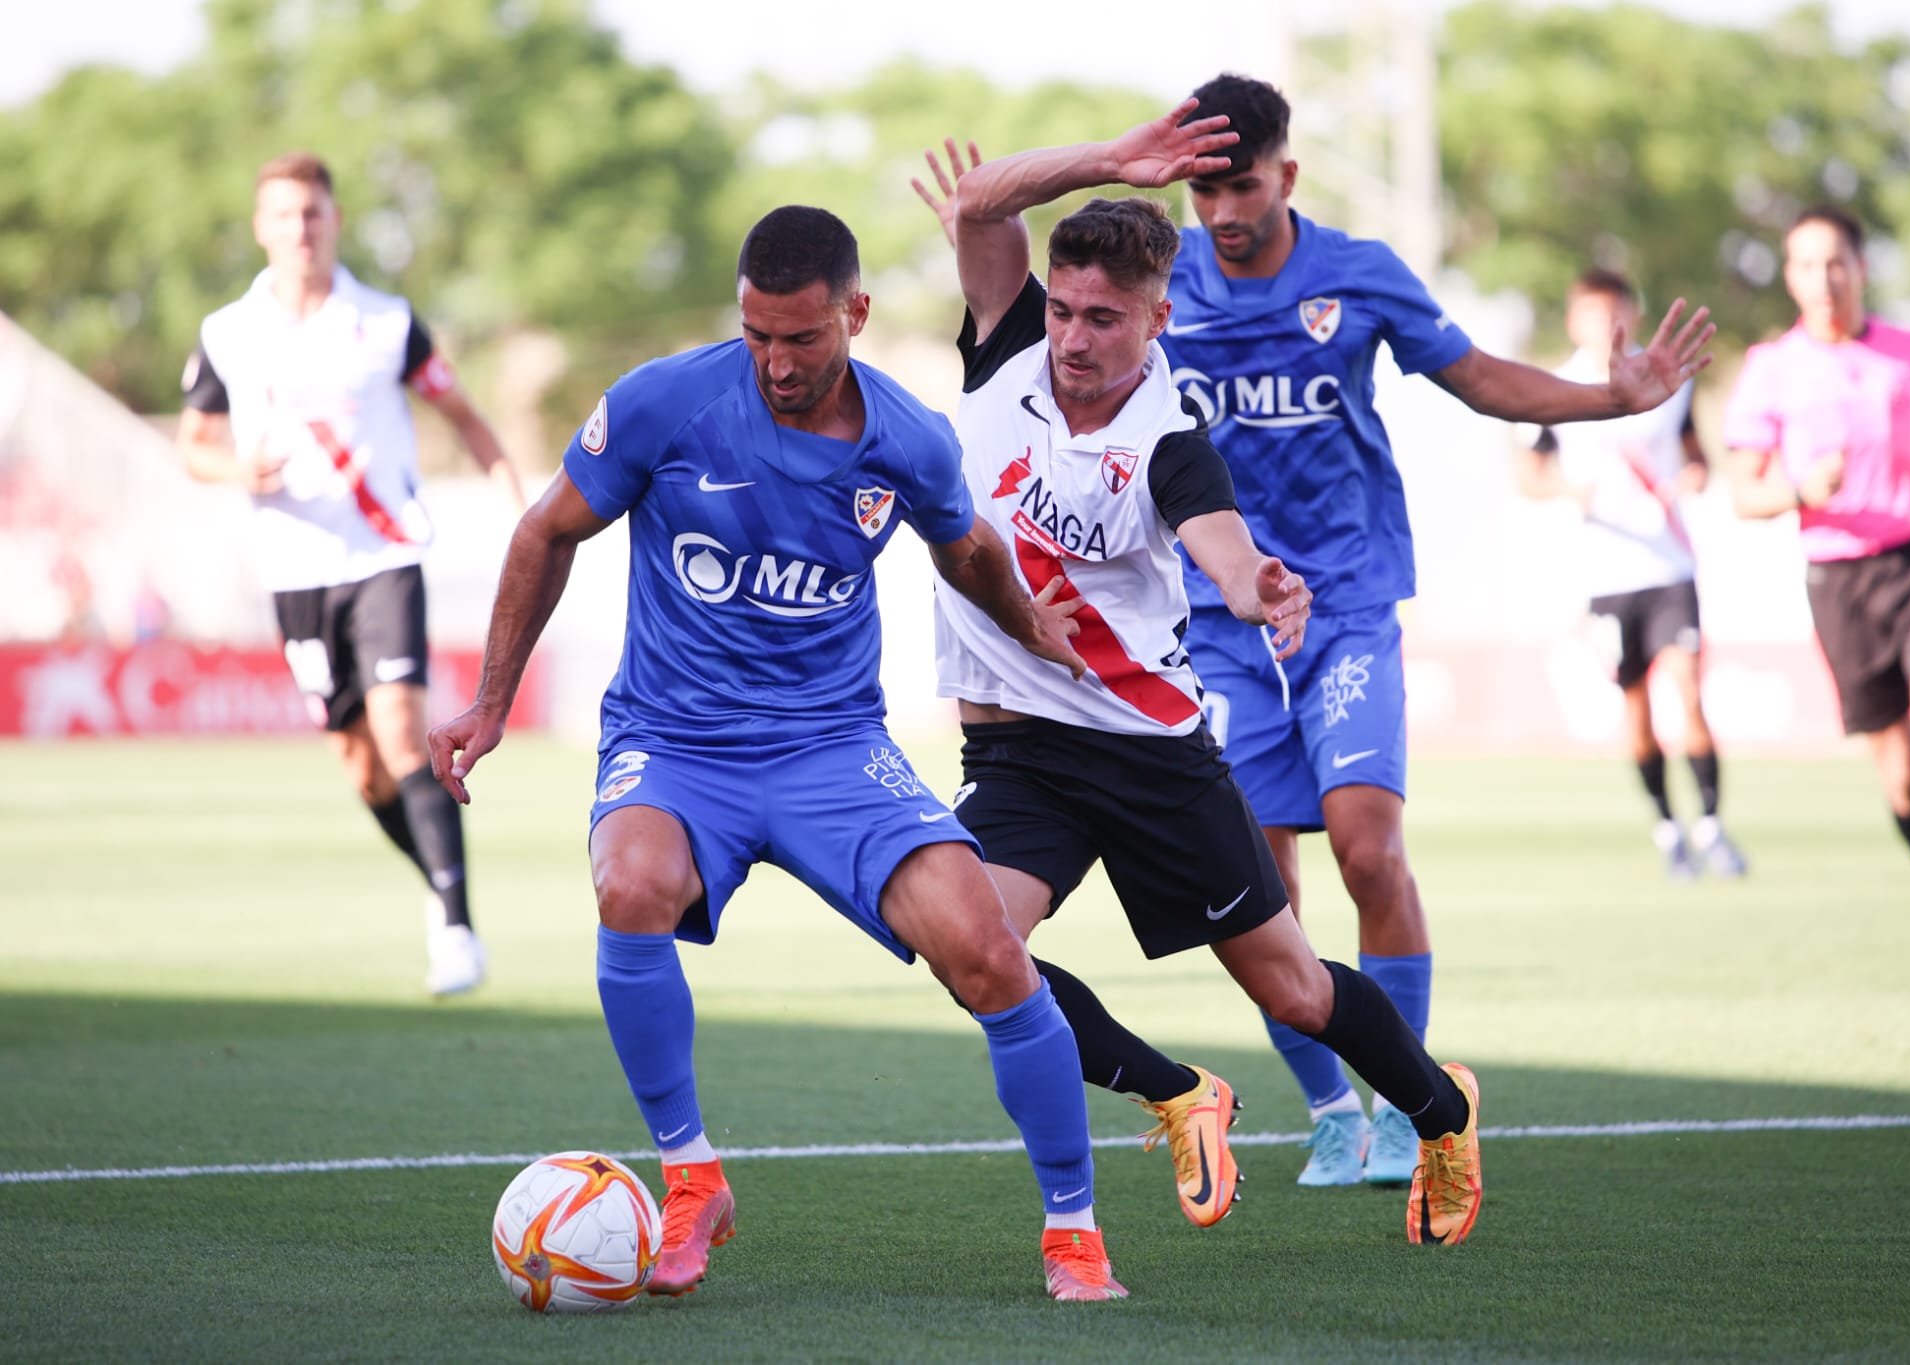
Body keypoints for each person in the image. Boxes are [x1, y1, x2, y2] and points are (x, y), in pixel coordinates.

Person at [427, 206, 1129, 1302]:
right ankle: (692, 1175)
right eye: (756, 334)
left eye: (799, 338)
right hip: (673, 741)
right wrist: (489, 704)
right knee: (630, 884)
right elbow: (543, 530)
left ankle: (1073, 1232)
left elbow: (967, 547)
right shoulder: (667, 402)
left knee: (989, 951)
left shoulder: (907, 437)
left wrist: (1029, 624)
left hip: (830, 749)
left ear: (853, 314)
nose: (774, 361)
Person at [911, 106, 1483, 1248]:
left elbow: (1216, 538)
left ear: (1156, 319)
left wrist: (1255, 587)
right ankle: (1176, 1093)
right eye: (1064, 310)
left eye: (1105, 320)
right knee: (971, 950)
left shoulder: (1170, 436)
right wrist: (1112, 162)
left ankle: (1439, 1113)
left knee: (1294, 993)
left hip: (1147, 755)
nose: (1074, 338)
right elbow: (979, 206)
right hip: (1016, 749)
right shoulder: (1008, 346)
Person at [1160, 74, 1712, 1187]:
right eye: (1201, 187)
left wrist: (1610, 398)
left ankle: (1403, 1098)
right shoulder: (1156, 279)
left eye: (1241, 185)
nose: (1220, 210)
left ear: (1287, 175)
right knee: (1248, 891)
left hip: (1349, 601)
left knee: (1367, 847)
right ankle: (1328, 1111)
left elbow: (1479, 380)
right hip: (1217, 620)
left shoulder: (1357, 274)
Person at [176, 152, 525, 997]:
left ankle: (455, 927)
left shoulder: (386, 321)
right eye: (285, 215)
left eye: (314, 213)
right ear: (261, 227)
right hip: (295, 572)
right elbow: (192, 445)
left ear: (334, 220)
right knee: (363, 766)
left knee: (404, 732)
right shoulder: (228, 331)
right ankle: (442, 884)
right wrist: (238, 470)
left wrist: (526, 513)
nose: (301, 228)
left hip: (385, 555)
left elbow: (465, 415)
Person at [1723, 204, 1910, 972]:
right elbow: (1743, 494)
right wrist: (1800, 489)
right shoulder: (1771, 368)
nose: (1823, 278)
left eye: (1837, 262)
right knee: (1900, 774)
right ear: (1790, 278)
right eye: (1805, 265)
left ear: (1859, 268)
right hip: (1839, 580)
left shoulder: (1907, 350)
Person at [1514, 268, 1748, 880]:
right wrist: (1573, 489)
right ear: (1572, 320)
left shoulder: (1665, 378)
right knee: (1638, 710)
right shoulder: (1553, 387)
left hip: (1668, 563)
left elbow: (1697, 456)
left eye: (1612, 313)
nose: (1601, 325)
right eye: (1589, 313)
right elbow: (1528, 473)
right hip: (1606, 575)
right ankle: (1669, 829)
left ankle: (1713, 825)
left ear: (1632, 316)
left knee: (1689, 690)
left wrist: (1692, 478)